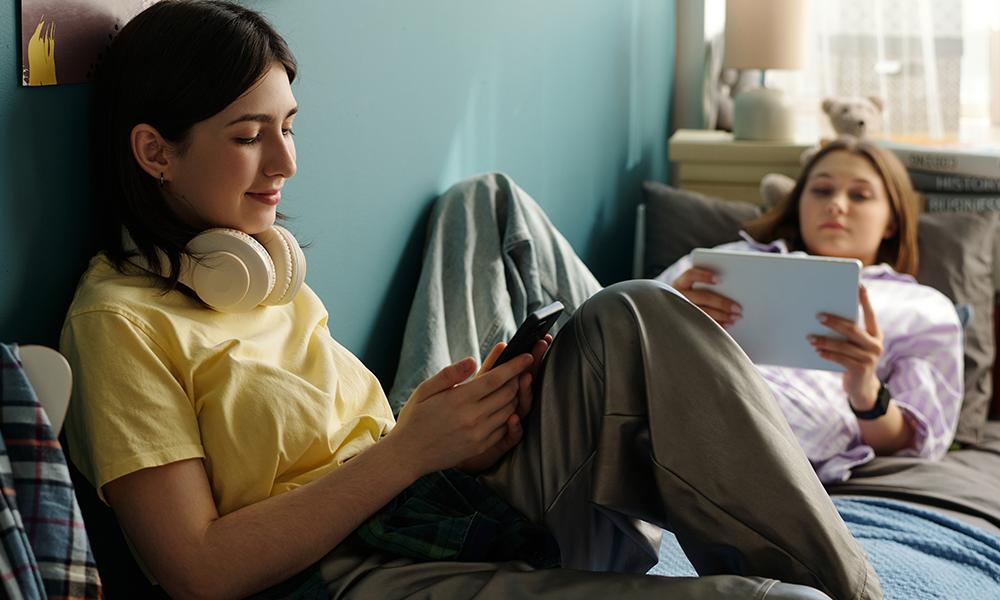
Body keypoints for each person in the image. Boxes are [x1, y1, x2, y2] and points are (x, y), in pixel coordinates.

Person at [61, 1, 881, 598]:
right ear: (154, 152)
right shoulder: (118, 324)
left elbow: (362, 449)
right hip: (345, 576)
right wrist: (410, 452)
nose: (285, 162)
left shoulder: (257, 272)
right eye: (248, 137)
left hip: (426, 505)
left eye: (289, 126)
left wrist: (461, 429)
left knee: (636, 313)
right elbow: (196, 570)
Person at [657, 138, 963, 484]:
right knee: (598, 306)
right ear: (798, 203)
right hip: (665, 382)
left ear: (891, 221)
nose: (836, 205)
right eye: (821, 190)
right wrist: (666, 310)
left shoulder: (922, 308)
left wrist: (866, 390)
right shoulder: (720, 261)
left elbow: (913, 446)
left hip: (775, 422)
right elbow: (622, 327)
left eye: (859, 196)